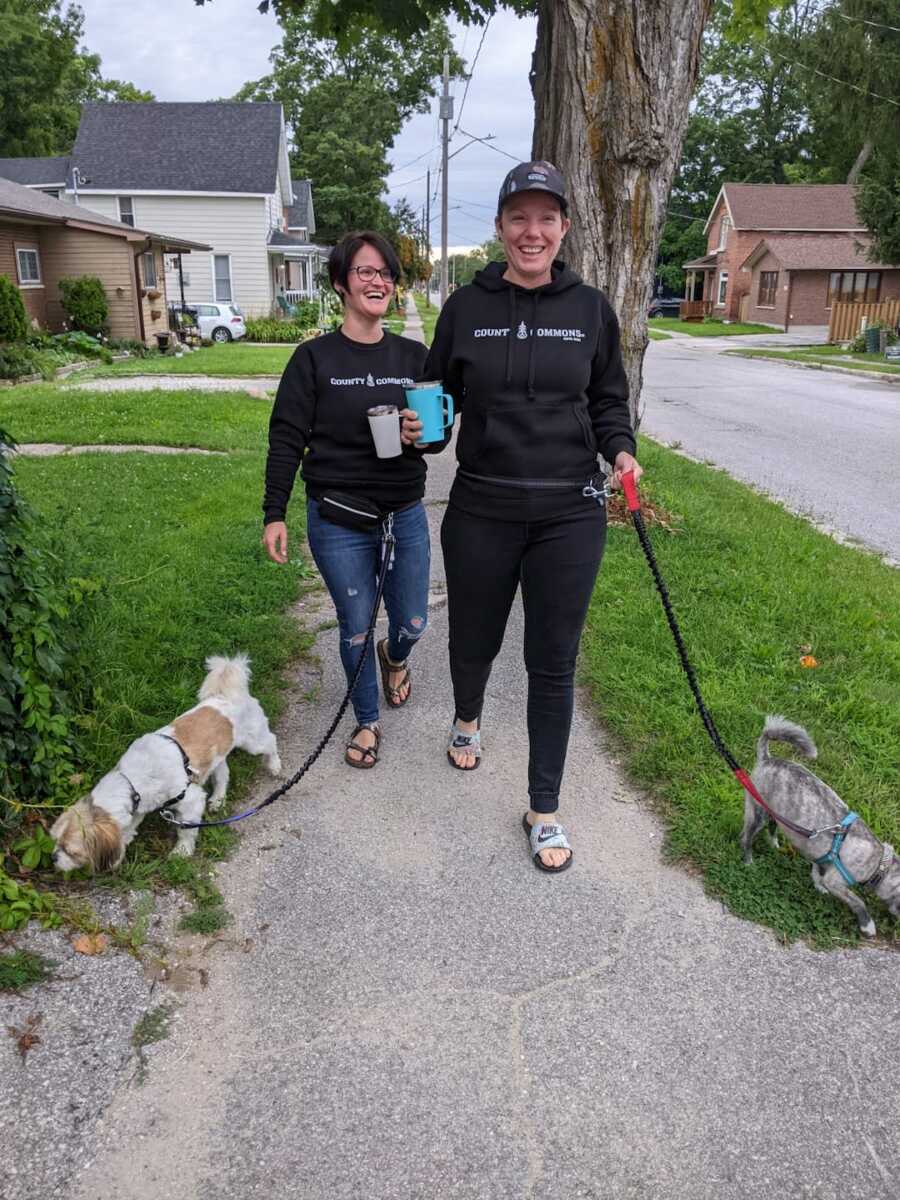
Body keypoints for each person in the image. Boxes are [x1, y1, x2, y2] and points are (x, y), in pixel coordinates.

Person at [424, 161, 643, 873]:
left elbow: (609, 398)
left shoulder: (590, 309)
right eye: (519, 216)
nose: (532, 231)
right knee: (474, 640)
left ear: (564, 228)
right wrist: (420, 431)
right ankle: (467, 715)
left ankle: (543, 809)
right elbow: (436, 399)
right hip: (482, 504)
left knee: (553, 662)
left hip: (569, 513)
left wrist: (621, 452)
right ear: (499, 227)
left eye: (546, 217)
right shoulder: (465, 308)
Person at [263, 231, 435, 768]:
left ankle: (396, 657)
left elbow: (437, 434)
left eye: (385, 273)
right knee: (356, 623)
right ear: (341, 283)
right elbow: (286, 436)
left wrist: (420, 434)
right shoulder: (313, 358)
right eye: (365, 272)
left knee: (411, 621)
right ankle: (366, 721)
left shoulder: (413, 355)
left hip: (402, 511)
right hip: (337, 515)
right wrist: (275, 512)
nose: (378, 281)